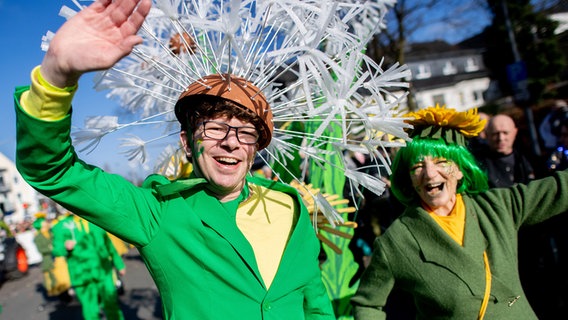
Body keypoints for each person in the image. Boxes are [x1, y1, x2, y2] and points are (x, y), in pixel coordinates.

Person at [14, 0, 334, 318]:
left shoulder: (290, 207)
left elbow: (316, 304)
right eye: (214, 129)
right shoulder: (159, 213)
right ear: (187, 142)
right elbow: (51, 171)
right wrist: (56, 72)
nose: (231, 143)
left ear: (256, 147)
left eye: (245, 133)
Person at [351, 105, 568, 319]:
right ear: (409, 178)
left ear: (460, 170)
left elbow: (560, 188)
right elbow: (367, 304)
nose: (429, 174)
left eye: (441, 162)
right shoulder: (397, 241)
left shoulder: (497, 207)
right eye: (417, 166)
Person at [51, 213, 126, 319]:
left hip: (103, 272)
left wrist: (119, 264)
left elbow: (108, 244)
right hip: (82, 277)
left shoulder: (96, 220)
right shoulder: (61, 226)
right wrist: (64, 246)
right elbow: (56, 250)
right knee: (90, 311)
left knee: (111, 304)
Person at [475, 113, 535, 188]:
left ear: (515, 132)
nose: (501, 138)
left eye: (505, 133)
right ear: (487, 135)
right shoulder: (478, 165)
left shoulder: (530, 159)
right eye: (495, 134)